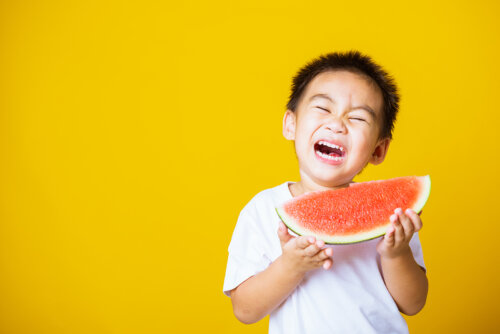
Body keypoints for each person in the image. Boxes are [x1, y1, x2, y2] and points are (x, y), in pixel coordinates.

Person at [223, 50, 428, 333]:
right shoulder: (262, 209)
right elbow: (244, 310)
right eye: (323, 108)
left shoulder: (391, 218)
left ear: (378, 150)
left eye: (358, 118)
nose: (337, 124)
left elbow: (414, 303)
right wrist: (290, 266)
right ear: (290, 124)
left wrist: (397, 254)